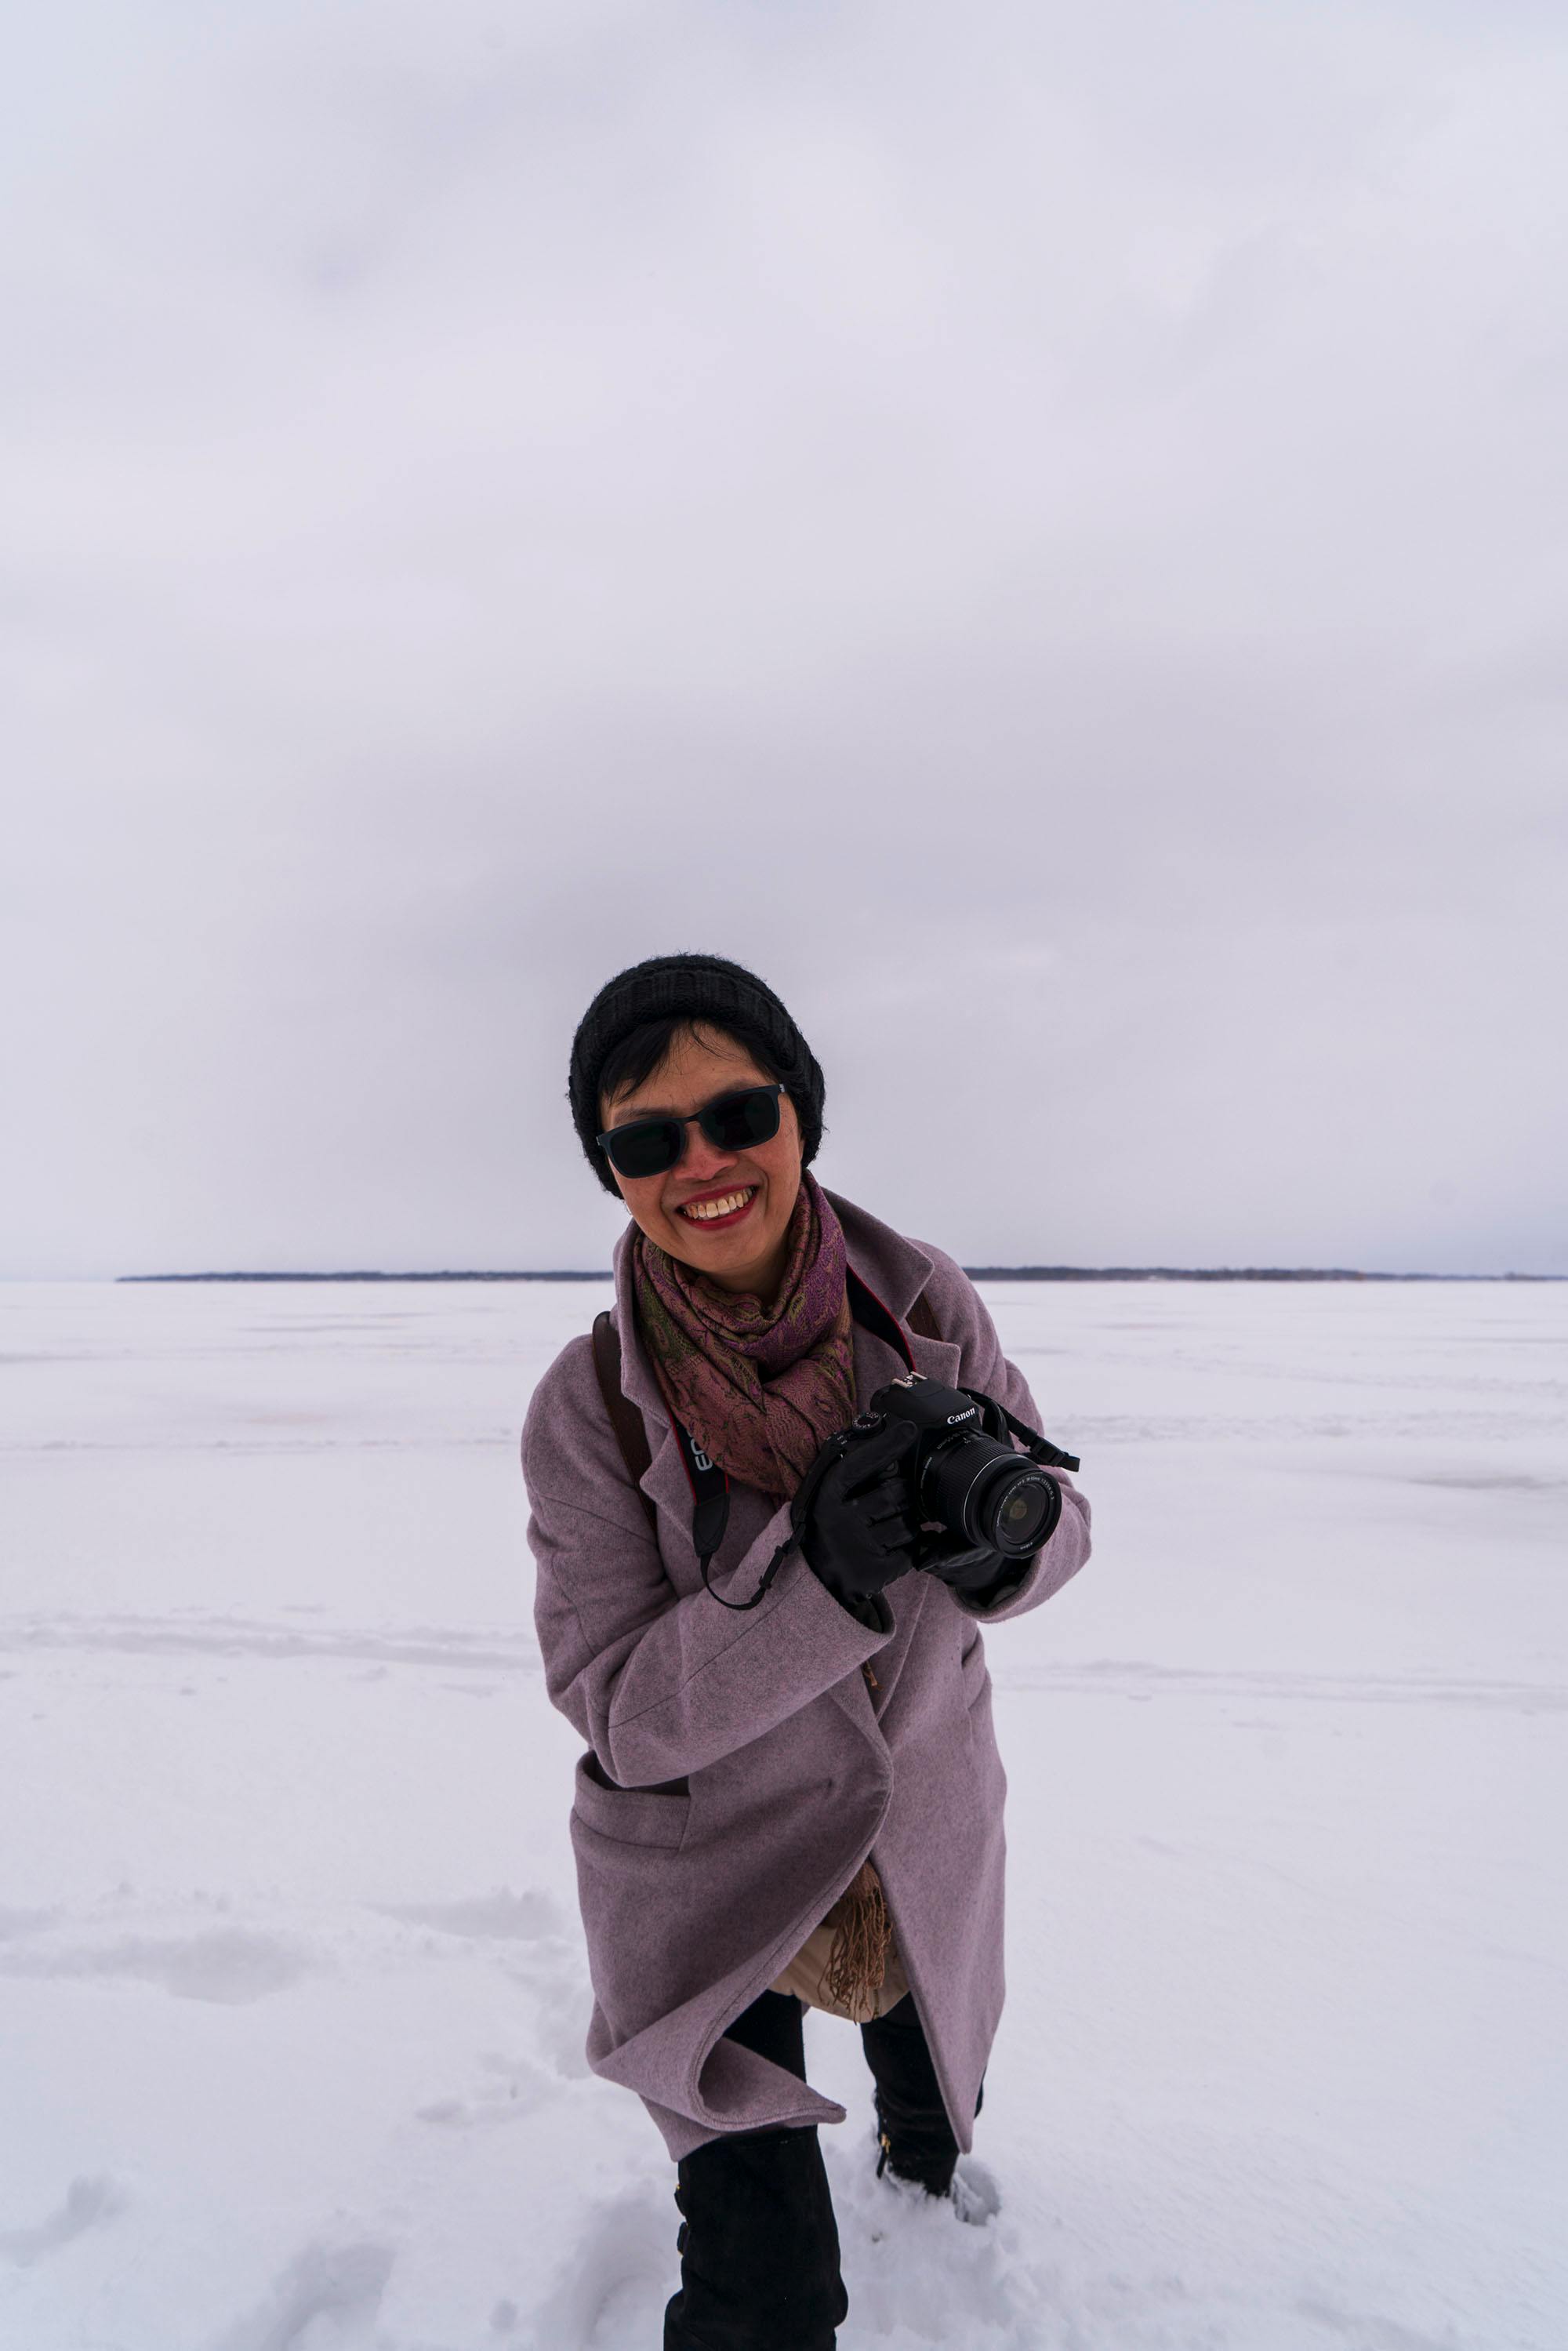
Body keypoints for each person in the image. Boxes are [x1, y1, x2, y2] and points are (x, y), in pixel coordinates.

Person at [523, 953, 1092, 2350]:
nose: (701, 1163)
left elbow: (1060, 1517)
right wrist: (816, 1581)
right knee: (766, 2289)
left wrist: (999, 1548)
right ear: (613, 1171)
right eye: (647, 1139)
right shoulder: (589, 1405)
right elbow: (619, 1709)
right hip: (709, 1868)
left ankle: (923, 2154)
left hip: (917, 1812)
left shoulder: (929, 1307)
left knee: (925, 2075)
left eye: (738, 1114)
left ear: (802, 1115)